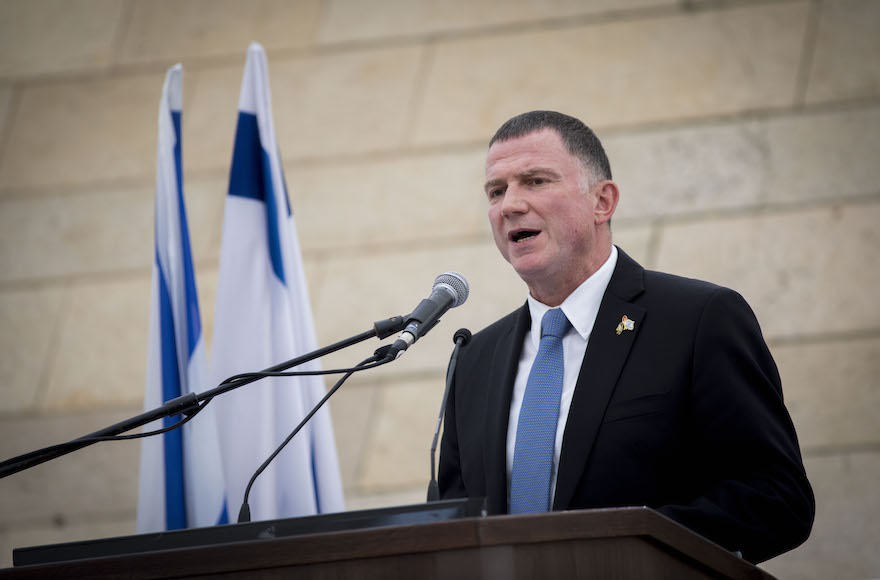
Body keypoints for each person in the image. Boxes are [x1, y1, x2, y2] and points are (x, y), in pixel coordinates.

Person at [437, 110, 814, 563]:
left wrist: (620, 550)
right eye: (496, 191)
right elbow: (452, 528)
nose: (509, 205)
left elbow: (776, 497)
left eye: (535, 181)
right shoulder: (474, 359)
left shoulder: (698, 320)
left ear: (603, 201)